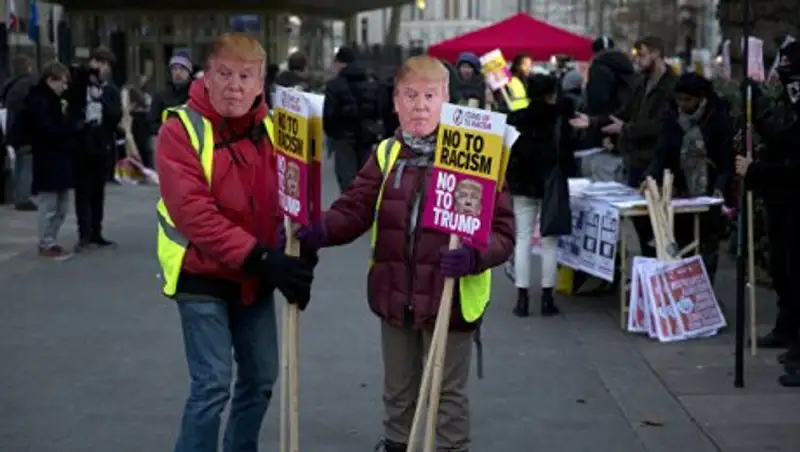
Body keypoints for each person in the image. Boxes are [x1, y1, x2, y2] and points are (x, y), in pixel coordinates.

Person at [291, 55, 514, 452]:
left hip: (451, 297)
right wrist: (320, 228)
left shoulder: (477, 157)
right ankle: (397, 445)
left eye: (430, 96)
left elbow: (503, 233)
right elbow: (354, 208)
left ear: (447, 100)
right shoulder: (387, 153)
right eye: (410, 96)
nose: (420, 106)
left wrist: (474, 256)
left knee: (446, 396)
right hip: (395, 292)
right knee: (398, 391)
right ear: (395, 102)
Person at [155, 32, 316, 450]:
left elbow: (292, 200)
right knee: (212, 384)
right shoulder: (181, 129)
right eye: (224, 74)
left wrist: (301, 249)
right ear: (206, 76)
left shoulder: (275, 128)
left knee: (261, 378)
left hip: (253, 276)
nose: (235, 86)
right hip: (201, 271)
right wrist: (262, 257)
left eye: (246, 77)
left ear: (261, 83)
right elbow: (194, 214)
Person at [571, 35, 676, 258]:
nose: (637, 60)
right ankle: (648, 263)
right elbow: (623, 112)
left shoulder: (671, 84)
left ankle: (659, 263)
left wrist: (626, 129)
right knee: (641, 223)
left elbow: (662, 125)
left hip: (658, 161)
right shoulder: (640, 82)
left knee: (659, 224)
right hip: (635, 159)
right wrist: (593, 122)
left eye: (642, 55)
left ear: (656, 53)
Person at [734, 41, 800, 387]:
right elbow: (782, 136)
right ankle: (789, 330)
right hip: (782, 198)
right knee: (785, 269)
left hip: (789, 189)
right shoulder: (789, 100)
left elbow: (793, 151)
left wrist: (757, 170)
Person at [647, 72, 734, 284]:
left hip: (709, 188)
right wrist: (650, 177)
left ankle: (704, 290)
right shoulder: (671, 117)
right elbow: (661, 151)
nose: (683, 105)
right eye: (679, 99)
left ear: (701, 98)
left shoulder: (717, 117)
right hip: (680, 188)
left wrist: (720, 187)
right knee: (681, 243)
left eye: (688, 100)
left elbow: (725, 158)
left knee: (707, 246)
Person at [506, 73, 579, 317]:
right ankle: (547, 298)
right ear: (552, 94)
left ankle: (521, 299)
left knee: (523, 238)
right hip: (550, 185)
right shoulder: (559, 119)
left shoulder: (518, 119)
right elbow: (567, 153)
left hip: (522, 184)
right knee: (550, 241)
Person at [17, 62, 80, 259]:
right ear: (51, 80)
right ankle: (46, 241)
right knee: (49, 204)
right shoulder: (39, 101)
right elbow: (45, 130)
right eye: (62, 82)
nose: (65, 87)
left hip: (60, 156)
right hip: (47, 157)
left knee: (62, 205)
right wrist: (69, 130)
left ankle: (51, 238)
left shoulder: (57, 101)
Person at [65, 46, 122, 252]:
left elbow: (116, 116)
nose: (100, 68)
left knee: (98, 191)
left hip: (102, 144)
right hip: (81, 144)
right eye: (97, 63)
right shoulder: (80, 85)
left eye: (105, 64)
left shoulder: (111, 90)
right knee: (83, 192)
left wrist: (101, 99)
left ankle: (96, 232)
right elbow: (70, 102)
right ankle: (84, 234)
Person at [323, 46, 383, 193]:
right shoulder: (371, 83)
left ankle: (350, 204)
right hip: (366, 136)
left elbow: (329, 115)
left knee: (347, 179)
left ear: (340, 63)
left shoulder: (334, 85)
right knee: (365, 178)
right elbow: (378, 109)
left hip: (343, 137)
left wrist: (334, 134)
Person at [2, 55, 38, 211]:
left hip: (13, 130)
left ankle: (18, 196)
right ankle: (23, 198)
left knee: (19, 163)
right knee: (26, 164)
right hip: (25, 131)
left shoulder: (10, 85)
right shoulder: (28, 84)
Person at [149, 51, 193, 133]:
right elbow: (152, 123)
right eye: (174, 69)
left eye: (182, 68)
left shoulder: (195, 95)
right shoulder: (160, 96)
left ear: (189, 72)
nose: (178, 72)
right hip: (168, 137)